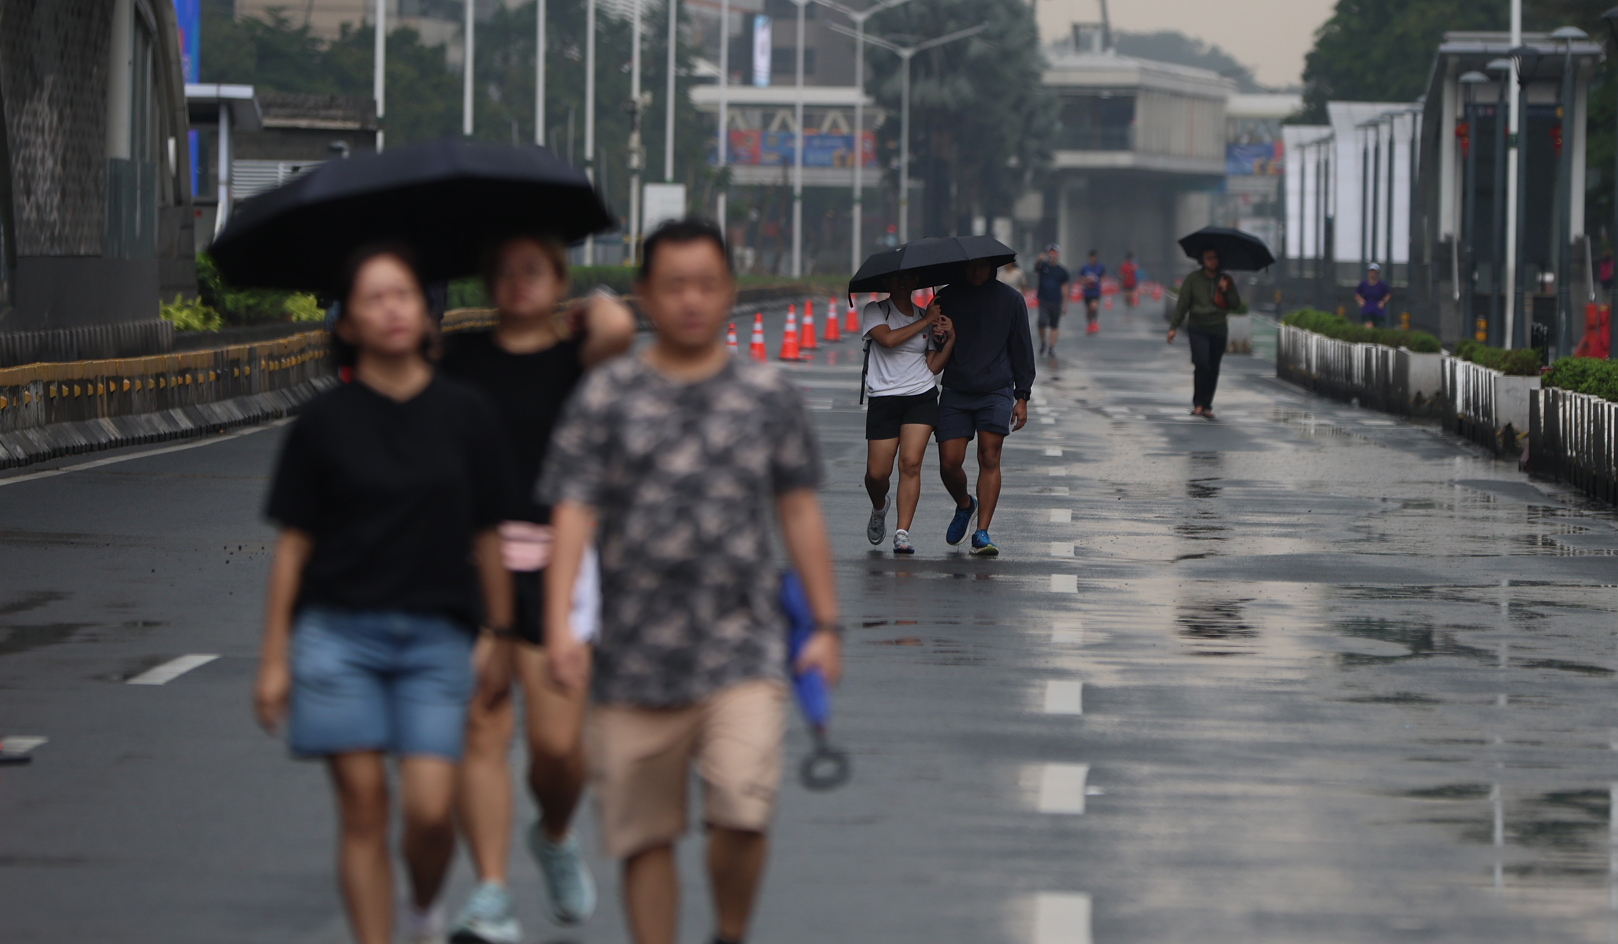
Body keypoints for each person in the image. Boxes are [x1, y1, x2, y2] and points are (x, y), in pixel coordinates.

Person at [538, 218, 843, 944]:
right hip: (632, 655)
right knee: (645, 835)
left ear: (729, 290)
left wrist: (826, 628)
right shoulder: (606, 397)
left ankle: (729, 932)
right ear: (644, 294)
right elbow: (572, 513)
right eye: (674, 285)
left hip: (743, 646)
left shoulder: (769, 393)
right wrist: (559, 625)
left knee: (743, 805)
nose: (692, 300)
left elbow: (797, 511)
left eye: (708, 284)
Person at [255, 244, 515, 944]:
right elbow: (293, 548)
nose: (393, 309)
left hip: (438, 635)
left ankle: (423, 908)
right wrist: (275, 658)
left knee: (430, 810)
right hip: (338, 635)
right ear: (346, 322)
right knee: (365, 805)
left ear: (429, 314)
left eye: (404, 295)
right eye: (374, 298)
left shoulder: (467, 415)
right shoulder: (321, 425)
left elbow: (490, 536)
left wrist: (500, 634)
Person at [439, 233, 637, 942]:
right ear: (487, 281)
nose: (518, 283)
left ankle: (553, 833)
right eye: (504, 270)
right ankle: (491, 890)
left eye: (535, 270)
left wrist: (593, 306)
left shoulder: (575, 361)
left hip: (560, 567)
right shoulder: (458, 360)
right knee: (480, 725)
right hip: (475, 564)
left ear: (558, 278)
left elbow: (618, 327)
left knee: (557, 749)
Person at [933, 258, 1036, 557]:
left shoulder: (1012, 300)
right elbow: (933, 347)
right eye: (971, 266)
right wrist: (939, 334)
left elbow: (1022, 348)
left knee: (989, 456)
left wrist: (1022, 396)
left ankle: (982, 532)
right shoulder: (946, 297)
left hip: (996, 390)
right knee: (949, 462)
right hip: (956, 389)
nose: (976, 272)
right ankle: (966, 505)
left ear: (994, 267)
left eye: (983, 266)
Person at [862, 273, 957, 555]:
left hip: (920, 396)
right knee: (877, 474)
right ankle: (880, 507)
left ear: (916, 282)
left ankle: (902, 533)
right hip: (884, 398)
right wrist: (926, 321)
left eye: (908, 279)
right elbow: (888, 340)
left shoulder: (924, 316)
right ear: (887, 283)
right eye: (897, 279)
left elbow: (933, 366)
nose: (903, 283)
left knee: (910, 463)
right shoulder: (876, 311)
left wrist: (949, 338)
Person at [1168, 247, 1241, 421]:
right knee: (1202, 363)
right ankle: (1198, 403)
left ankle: (1207, 405)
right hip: (1198, 327)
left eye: (1215, 258)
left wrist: (1226, 290)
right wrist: (1174, 327)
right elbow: (1183, 304)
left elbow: (1235, 304)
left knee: (1213, 367)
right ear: (1203, 260)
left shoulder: (1225, 279)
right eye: (1209, 258)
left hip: (1218, 328)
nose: (1213, 261)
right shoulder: (1193, 279)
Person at [1032, 245, 1069, 355]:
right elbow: (1035, 268)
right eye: (1051, 252)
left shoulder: (1062, 271)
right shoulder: (1043, 266)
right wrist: (1039, 259)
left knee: (1054, 324)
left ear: (1058, 254)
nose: (1053, 255)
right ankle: (1043, 342)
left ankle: (1051, 347)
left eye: (1055, 252)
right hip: (1043, 299)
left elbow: (1065, 288)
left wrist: (1065, 304)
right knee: (1042, 322)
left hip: (1056, 300)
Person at [1078, 250, 1106, 335]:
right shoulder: (1085, 268)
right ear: (1090, 258)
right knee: (1088, 309)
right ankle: (1089, 324)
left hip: (1096, 291)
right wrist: (1086, 281)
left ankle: (1094, 323)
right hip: (1087, 292)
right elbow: (1081, 279)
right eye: (1092, 257)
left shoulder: (1100, 267)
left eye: (1094, 257)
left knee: (1094, 306)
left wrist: (1098, 281)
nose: (1093, 259)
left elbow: (1103, 277)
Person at [1355, 263, 1391, 328]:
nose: (1372, 274)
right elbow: (1357, 293)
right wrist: (1360, 301)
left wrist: (1383, 302)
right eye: (1371, 272)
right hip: (1367, 308)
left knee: (1379, 328)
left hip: (1378, 310)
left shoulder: (1382, 285)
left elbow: (1388, 294)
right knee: (1368, 326)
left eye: (1374, 272)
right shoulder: (1364, 284)